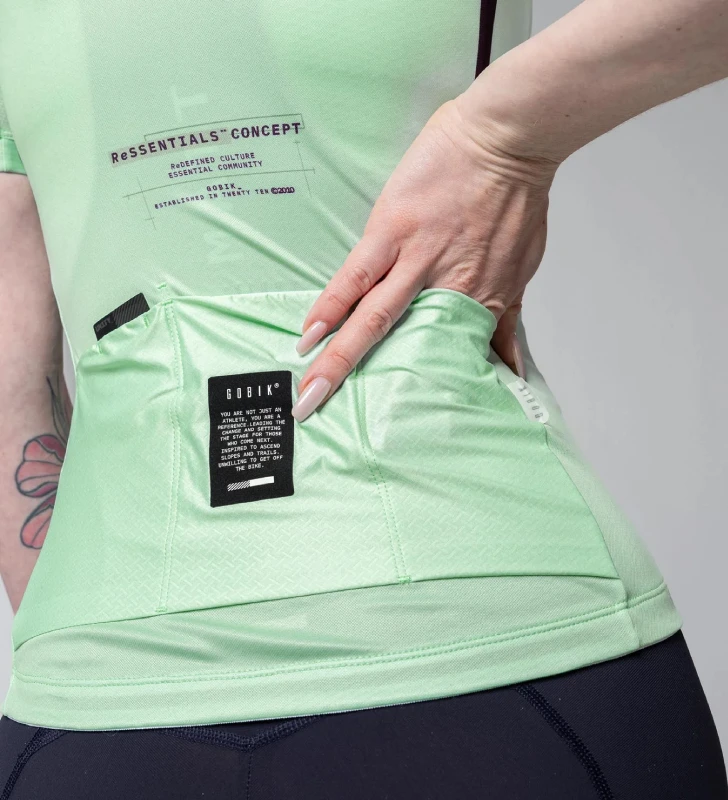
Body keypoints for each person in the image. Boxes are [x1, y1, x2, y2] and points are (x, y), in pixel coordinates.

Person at [0, 0, 725, 796]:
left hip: (490, 648)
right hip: (107, 698)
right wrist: (81, 640)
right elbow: (13, 358)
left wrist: (502, 133)